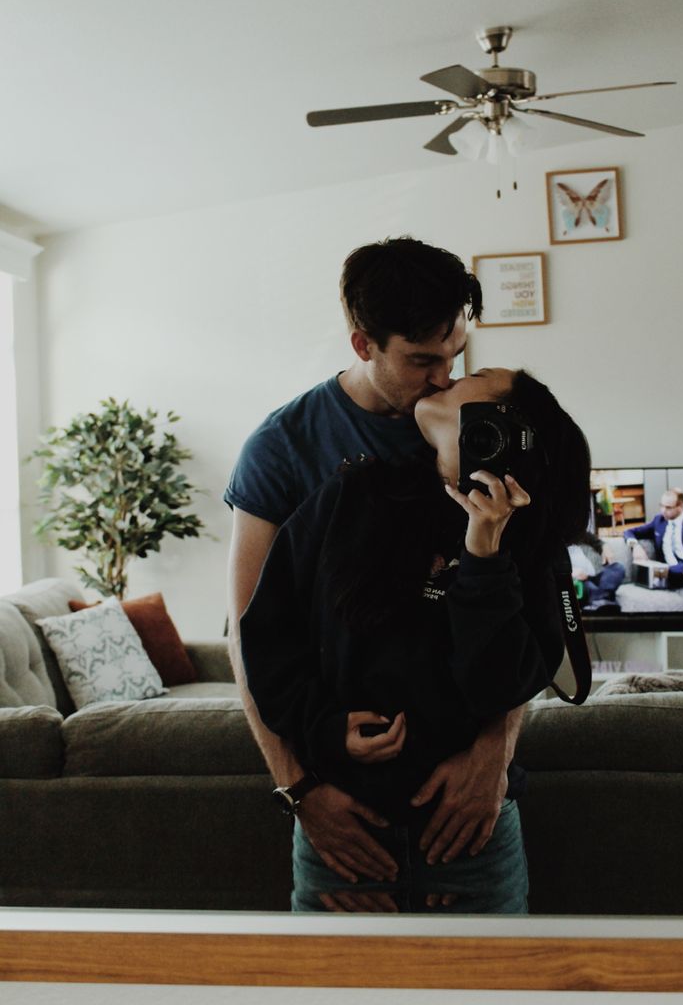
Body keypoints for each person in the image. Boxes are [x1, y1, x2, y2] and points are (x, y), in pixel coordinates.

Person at [226, 236, 526, 907]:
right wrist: (301, 792)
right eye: (422, 360)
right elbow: (248, 636)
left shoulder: (485, 434)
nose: (446, 378)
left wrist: (491, 760)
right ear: (363, 344)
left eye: (456, 355)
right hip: (341, 813)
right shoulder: (283, 449)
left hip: (474, 809)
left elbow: (524, 617)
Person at [241, 367, 592, 913]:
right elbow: (268, 636)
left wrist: (484, 557)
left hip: (472, 840)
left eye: (473, 376)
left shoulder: (525, 542)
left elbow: (495, 686)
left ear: (509, 425)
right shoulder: (350, 497)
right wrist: (323, 733)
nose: (444, 379)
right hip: (341, 837)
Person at [568, 531, 625, 613]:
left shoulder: (580, 532)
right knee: (582, 588)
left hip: (598, 575)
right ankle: (605, 599)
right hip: (578, 581)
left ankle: (598, 599)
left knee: (618, 568)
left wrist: (605, 546)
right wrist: (571, 572)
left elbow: (597, 542)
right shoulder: (551, 539)